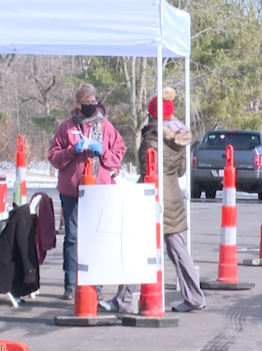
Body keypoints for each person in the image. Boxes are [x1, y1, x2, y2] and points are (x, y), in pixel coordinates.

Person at [99, 87, 206, 314]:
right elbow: (180, 170)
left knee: (136, 248)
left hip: (151, 196)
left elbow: (147, 168)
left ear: (154, 115)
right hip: (173, 195)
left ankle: (123, 299)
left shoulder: (151, 137)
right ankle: (195, 295)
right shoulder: (179, 136)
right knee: (178, 249)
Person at [48, 83, 126, 300]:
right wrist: (74, 150)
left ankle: (96, 285)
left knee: (96, 237)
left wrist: (104, 154)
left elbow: (119, 152)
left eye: (94, 102)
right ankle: (71, 284)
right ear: (78, 104)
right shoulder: (66, 127)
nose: (92, 106)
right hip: (72, 190)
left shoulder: (106, 127)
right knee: (72, 237)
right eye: (87, 103)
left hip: (99, 190)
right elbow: (54, 157)